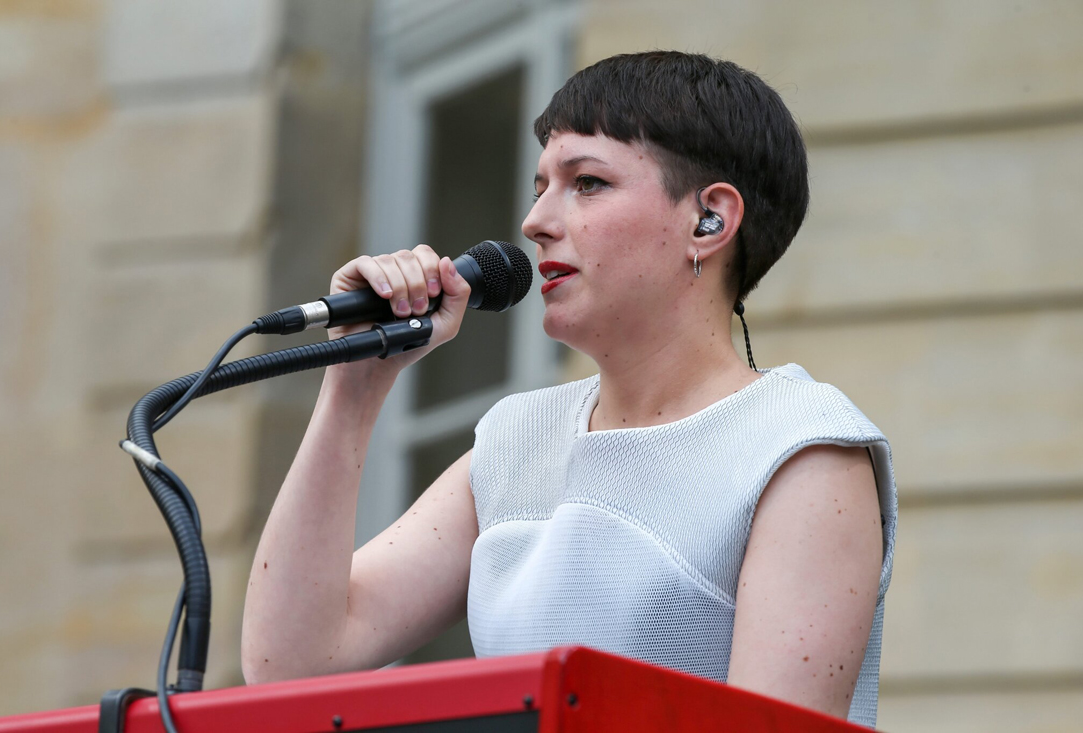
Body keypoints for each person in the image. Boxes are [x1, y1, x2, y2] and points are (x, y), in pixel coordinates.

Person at [241, 51, 897, 728]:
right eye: (539, 185)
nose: (535, 221)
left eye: (586, 182)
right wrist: (353, 388)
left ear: (709, 219)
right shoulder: (517, 437)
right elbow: (292, 663)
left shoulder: (801, 449)